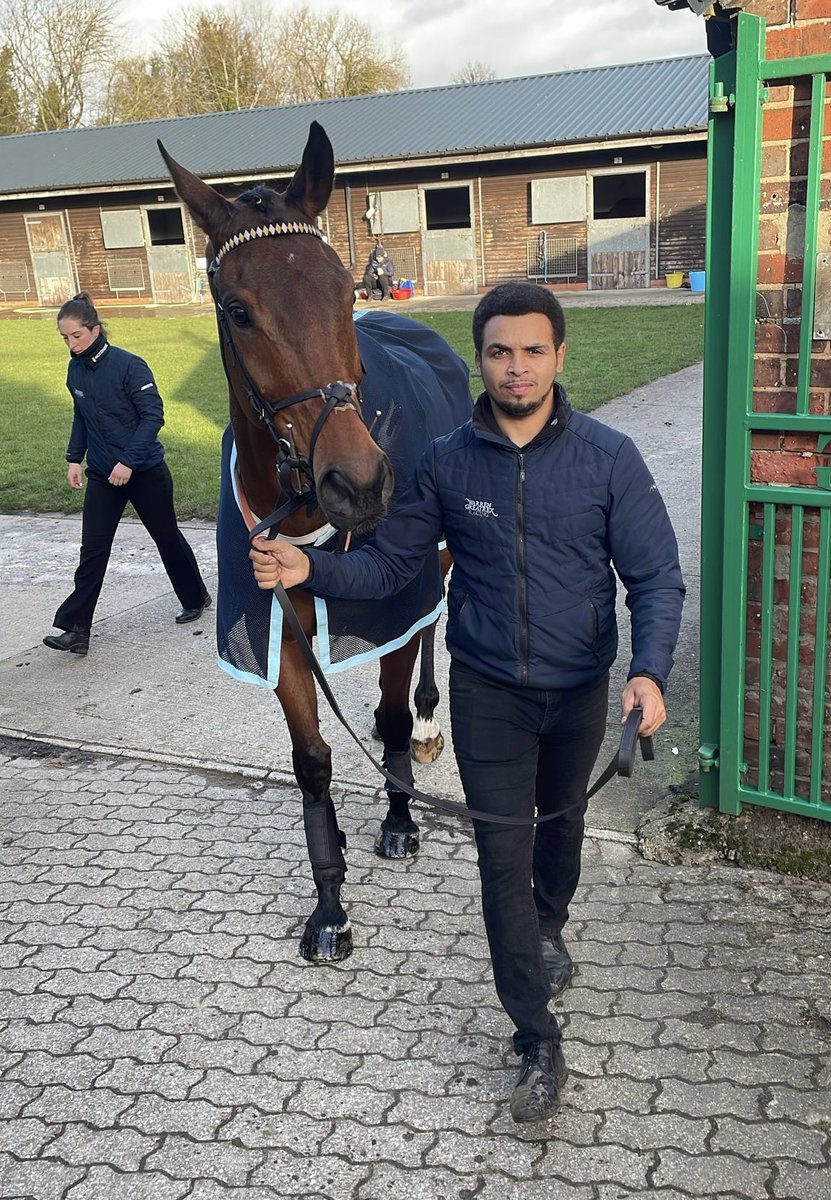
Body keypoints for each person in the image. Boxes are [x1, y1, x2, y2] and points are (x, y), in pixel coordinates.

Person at [248, 281, 685, 1124]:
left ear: (558, 357)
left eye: (531, 351)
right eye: (497, 352)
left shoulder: (608, 459)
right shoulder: (447, 462)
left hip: (578, 687)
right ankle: (533, 1037)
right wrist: (313, 570)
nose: (514, 368)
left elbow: (655, 577)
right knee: (498, 865)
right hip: (487, 692)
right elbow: (388, 567)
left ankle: (549, 923)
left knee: (558, 833)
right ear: (478, 360)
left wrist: (650, 671)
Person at [43, 292, 211, 657]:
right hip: (103, 476)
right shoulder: (75, 370)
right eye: (65, 338)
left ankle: (195, 596)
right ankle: (76, 629)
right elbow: (81, 415)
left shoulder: (130, 365)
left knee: (166, 537)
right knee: (93, 550)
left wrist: (129, 462)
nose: (72, 344)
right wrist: (75, 458)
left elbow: (153, 417)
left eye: (77, 336)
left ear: (96, 329)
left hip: (145, 471)